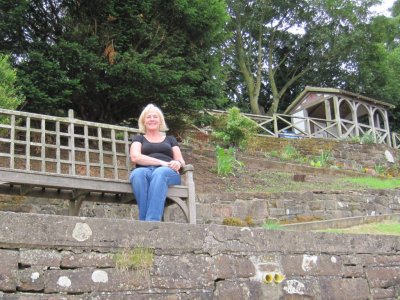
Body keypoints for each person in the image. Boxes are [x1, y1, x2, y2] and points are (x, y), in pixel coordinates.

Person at [129, 104, 186, 221]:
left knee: (159, 173)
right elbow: (135, 157)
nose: (152, 119)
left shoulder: (170, 139)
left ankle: (151, 221)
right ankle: (146, 223)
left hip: (168, 172)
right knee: (137, 174)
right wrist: (161, 162)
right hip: (145, 170)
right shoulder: (138, 139)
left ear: (160, 121)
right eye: (148, 117)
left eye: (155, 117)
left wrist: (178, 163)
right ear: (143, 121)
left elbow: (181, 160)